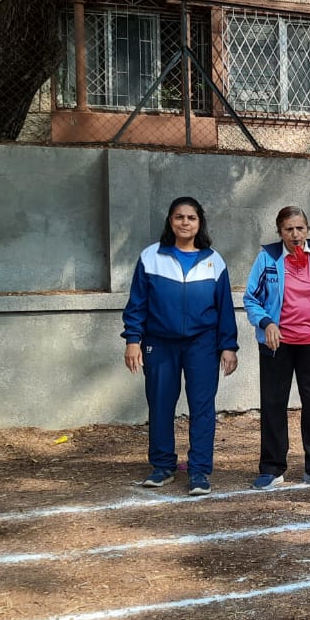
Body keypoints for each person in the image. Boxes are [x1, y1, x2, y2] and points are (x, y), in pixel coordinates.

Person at [121, 197, 239, 497]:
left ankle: (199, 470)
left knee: (202, 407)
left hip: (203, 344)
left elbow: (225, 307)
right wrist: (133, 340)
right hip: (159, 342)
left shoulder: (214, 260)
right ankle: (162, 466)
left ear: (199, 223)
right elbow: (137, 303)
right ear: (170, 221)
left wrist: (228, 346)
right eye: (179, 217)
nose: (185, 222)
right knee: (160, 404)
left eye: (191, 218)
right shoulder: (151, 257)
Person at [242, 206, 310, 489]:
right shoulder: (268, 257)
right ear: (280, 232)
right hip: (276, 344)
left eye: (300, 228)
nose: (295, 234)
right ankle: (272, 467)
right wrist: (266, 322)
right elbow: (251, 298)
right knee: (273, 404)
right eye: (288, 229)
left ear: (307, 229)